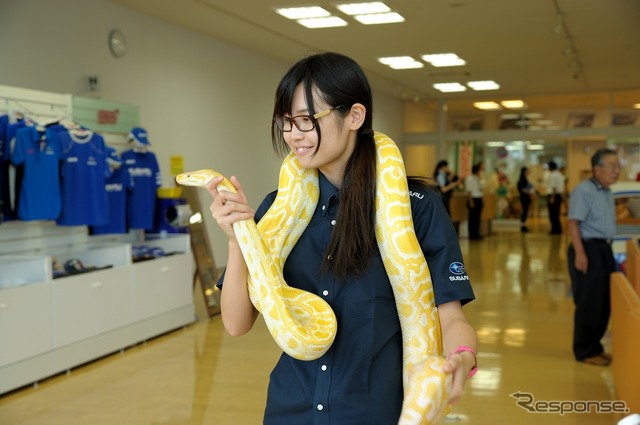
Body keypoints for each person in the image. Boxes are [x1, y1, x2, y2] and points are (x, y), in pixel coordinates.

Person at [206, 52, 477, 424]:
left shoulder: (417, 208)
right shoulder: (277, 208)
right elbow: (237, 324)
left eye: (305, 120)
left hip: (374, 411)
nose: (293, 135)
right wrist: (239, 236)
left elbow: (450, 317)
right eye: (285, 122)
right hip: (291, 409)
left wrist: (463, 355)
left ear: (354, 116)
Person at [567, 148, 620, 366]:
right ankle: (584, 351)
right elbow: (573, 223)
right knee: (589, 302)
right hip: (587, 249)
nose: (617, 171)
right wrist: (580, 254)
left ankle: (595, 347)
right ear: (597, 169)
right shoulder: (584, 191)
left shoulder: (606, 191)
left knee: (603, 303)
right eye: (612, 167)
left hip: (604, 250)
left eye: (618, 166)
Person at [465, 162, 484, 240]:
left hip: (478, 198)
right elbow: (469, 191)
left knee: (477, 218)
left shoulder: (477, 179)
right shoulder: (470, 179)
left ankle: (476, 233)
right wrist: (471, 201)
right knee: (472, 218)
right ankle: (472, 234)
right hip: (473, 199)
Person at [546, 161, 565, 234]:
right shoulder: (560, 174)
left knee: (552, 214)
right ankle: (558, 229)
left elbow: (554, 187)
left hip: (553, 195)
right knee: (556, 214)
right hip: (558, 195)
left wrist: (552, 197)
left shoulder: (553, 175)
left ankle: (554, 229)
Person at [517, 166, 535, 232]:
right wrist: (529, 191)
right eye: (527, 171)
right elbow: (521, 189)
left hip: (527, 197)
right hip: (524, 197)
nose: (528, 172)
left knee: (526, 211)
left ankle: (524, 225)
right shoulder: (521, 180)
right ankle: (523, 225)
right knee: (524, 211)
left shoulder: (525, 179)